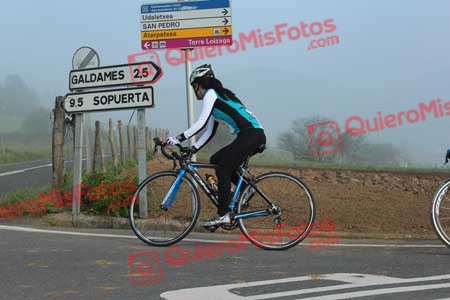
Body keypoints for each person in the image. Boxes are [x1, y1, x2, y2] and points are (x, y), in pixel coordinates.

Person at [165, 64, 266, 227]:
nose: (194, 91)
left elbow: (200, 123)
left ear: (200, 84)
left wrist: (178, 138)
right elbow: (208, 131)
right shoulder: (217, 99)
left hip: (251, 134)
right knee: (216, 159)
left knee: (223, 169)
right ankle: (246, 189)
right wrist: (193, 148)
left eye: (194, 87)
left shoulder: (211, 94)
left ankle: (223, 214)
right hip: (252, 135)